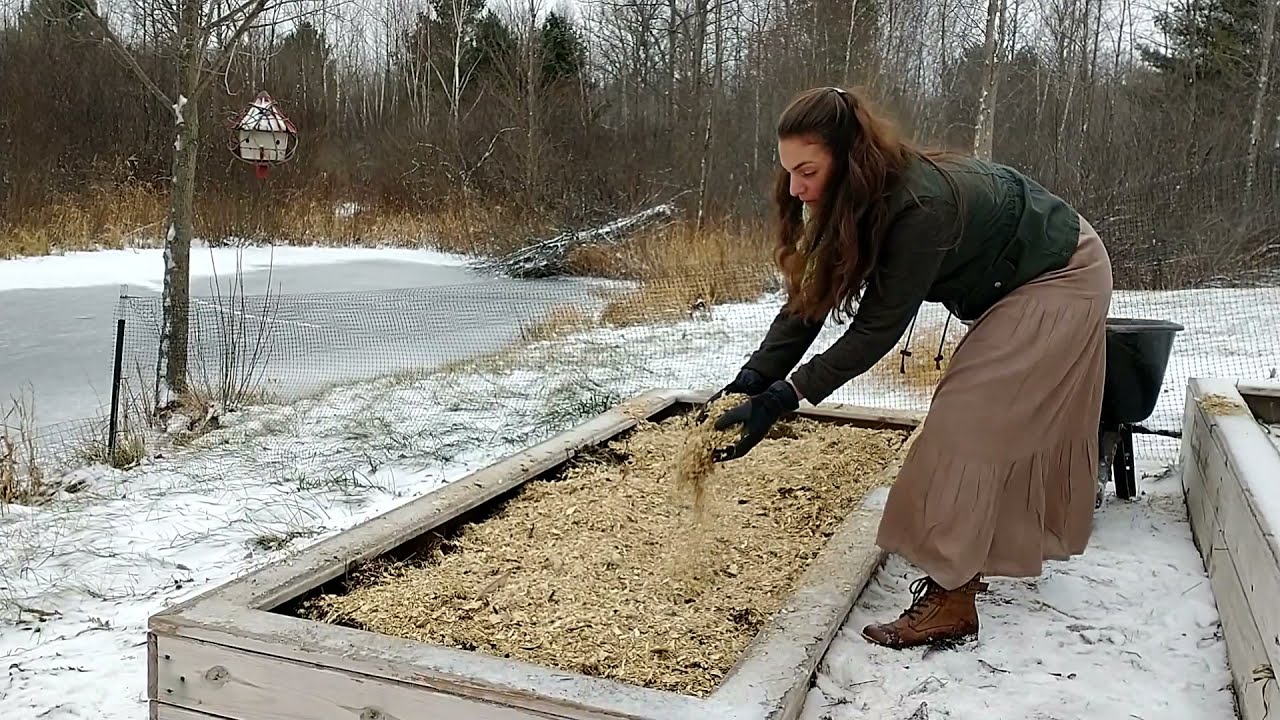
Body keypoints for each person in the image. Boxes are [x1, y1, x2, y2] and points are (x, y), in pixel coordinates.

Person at [707, 86, 1113, 650]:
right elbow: (812, 296)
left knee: (964, 419)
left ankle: (953, 601)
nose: (796, 188)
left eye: (807, 171)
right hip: (1012, 282)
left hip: (1060, 275)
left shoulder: (920, 206)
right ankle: (967, 558)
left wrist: (783, 399)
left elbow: (876, 329)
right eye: (789, 172)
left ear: (849, 158)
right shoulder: (849, 198)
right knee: (977, 419)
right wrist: (751, 380)